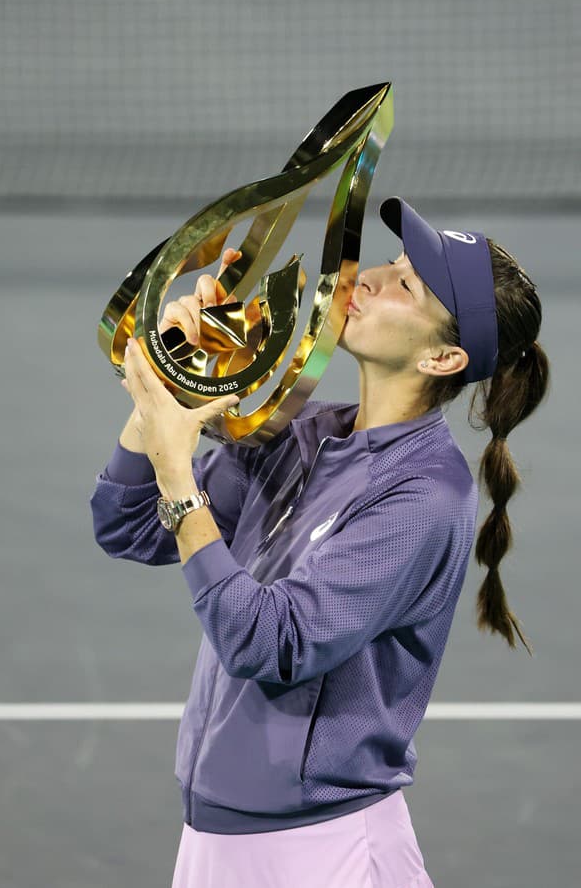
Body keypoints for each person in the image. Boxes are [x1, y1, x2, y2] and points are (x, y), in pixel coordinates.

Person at [90, 196, 550, 887]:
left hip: (324, 851)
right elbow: (126, 525)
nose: (366, 278)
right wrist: (167, 389)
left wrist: (178, 466)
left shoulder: (424, 496)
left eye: (407, 286)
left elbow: (269, 643)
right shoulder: (305, 434)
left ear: (443, 356)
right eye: (391, 263)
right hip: (215, 835)